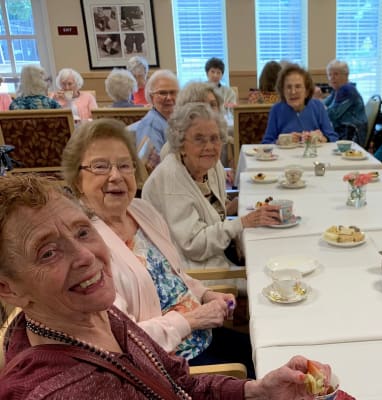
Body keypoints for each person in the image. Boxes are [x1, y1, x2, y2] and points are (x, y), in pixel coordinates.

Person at [0, 174, 332, 399]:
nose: (85, 255)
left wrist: (257, 390)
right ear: (8, 289)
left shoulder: (98, 315)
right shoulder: (65, 389)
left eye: (83, 232)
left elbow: (179, 383)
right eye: (48, 252)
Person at [61, 118, 254, 374]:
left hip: (203, 337)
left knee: (271, 357)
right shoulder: (85, 250)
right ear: (77, 181)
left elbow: (175, 274)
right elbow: (121, 337)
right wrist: (193, 320)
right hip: (169, 364)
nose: (116, 176)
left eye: (124, 165)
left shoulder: (141, 211)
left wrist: (205, 294)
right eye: (100, 166)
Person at [142, 103, 281, 281]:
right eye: (199, 139)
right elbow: (194, 246)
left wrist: (237, 208)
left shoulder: (210, 166)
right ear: (181, 144)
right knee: (269, 277)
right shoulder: (172, 180)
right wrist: (241, 223)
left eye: (215, 138)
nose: (209, 146)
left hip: (217, 254)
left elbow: (213, 211)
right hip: (194, 274)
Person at [261, 63, 338, 144]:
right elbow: (266, 143)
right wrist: (280, 141)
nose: (293, 92)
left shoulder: (318, 106)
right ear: (282, 91)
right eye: (288, 87)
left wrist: (324, 139)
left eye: (298, 86)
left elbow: (333, 138)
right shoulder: (276, 109)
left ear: (307, 91)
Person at [323, 59, 368, 146]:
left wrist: (319, 106)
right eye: (329, 74)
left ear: (346, 75)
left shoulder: (347, 90)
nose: (332, 77)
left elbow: (332, 114)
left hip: (352, 134)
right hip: (343, 130)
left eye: (336, 74)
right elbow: (323, 105)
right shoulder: (337, 90)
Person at [134, 69, 179, 153]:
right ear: (151, 97)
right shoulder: (151, 125)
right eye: (162, 93)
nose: (169, 98)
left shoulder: (174, 119)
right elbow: (151, 164)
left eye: (173, 92)